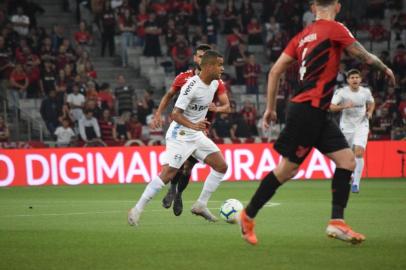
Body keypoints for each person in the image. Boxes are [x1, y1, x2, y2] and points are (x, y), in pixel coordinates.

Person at [238, 0, 396, 246]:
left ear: (312, 8)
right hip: (307, 110)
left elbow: (274, 71)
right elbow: (362, 55)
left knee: (347, 161)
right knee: (287, 170)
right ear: (338, 6)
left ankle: (337, 221)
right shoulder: (336, 28)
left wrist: (270, 108)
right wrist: (385, 68)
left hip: (316, 111)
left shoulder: (300, 37)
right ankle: (247, 215)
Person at [128, 50, 230, 226]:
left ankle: (200, 205)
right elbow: (175, 114)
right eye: (219, 65)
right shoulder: (191, 86)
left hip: (196, 133)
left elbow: (226, 106)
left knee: (221, 166)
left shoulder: (215, 83)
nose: (222, 68)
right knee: (168, 174)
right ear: (208, 66)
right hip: (180, 134)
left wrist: (207, 117)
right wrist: (193, 125)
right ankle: (137, 209)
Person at [152, 44, 228, 216]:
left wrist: (218, 108)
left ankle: (179, 194)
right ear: (195, 58)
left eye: (205, 57)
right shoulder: (184, 78)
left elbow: (226, 105)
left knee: (188, 168)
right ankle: (173, 188)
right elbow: (169, 96)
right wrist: (158, 114)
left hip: (201, 129)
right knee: (178, 166)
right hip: (183, 126)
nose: (202, 60)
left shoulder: (216, 81)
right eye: (200, 56)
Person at [330, 69, 375, 193]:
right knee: (347, 156)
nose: (355, 79)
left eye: (357, 77)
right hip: (346, 127)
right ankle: (347, 176)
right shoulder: (341, 92)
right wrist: (344, 106)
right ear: (348, 80)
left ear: (360, 79)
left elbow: (371, 102)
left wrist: (370, 112)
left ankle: (356, 183)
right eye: (352, 78)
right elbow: (331, 107)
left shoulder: (365, 92)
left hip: (362, 125)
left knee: (359, 152)